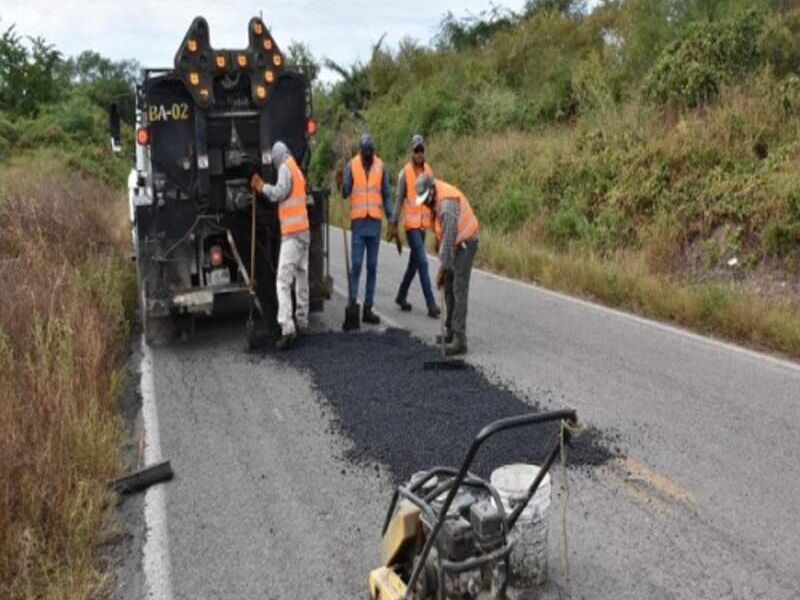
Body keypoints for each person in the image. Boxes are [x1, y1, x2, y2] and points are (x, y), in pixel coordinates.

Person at [250, 141, 310, 350]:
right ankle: (302, 322)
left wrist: (261, 187)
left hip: (292, 234)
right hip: (304, 232)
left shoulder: (285, 167)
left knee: (282, 282)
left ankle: (287, 328)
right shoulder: (298, 170)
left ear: (276, 158)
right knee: (301, 277)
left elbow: (279, 193)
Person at [415, 173, 479, 356]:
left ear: (432, 191)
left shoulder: (447, 205)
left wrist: (442, 270)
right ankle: (450, 332)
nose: (425, 203)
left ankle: (460, 341)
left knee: (458, 288)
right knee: (448, 287)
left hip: (467, 242)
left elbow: (450, 240)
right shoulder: (434, 198)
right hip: (455, 243)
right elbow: (443, 235)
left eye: (426, 199)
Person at [342, 133, 394, 324]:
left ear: (373, 151)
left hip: (374, 223)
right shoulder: (351, 165)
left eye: (370, 152)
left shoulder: (380, 166)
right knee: (356, 266)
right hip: (358, 223)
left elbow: (387, 194)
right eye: (365, 152)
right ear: (360, 151)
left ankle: (368, 309)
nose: (368, 155)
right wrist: (342, 180)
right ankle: (353, 306)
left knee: (372, 267)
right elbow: (346, 192)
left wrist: (392, 218)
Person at [389, 134, 440, 318]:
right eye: (416, 150)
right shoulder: (405, 173)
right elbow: (398, 199)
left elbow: (433, 199)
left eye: (421, 150)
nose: (419, 154)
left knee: (414, 265)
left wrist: (436, 223)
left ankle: (401, 296)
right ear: (412, 152)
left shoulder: (429, 172)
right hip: (411, 226)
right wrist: (393, 222)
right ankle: (431, 304)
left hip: (423, 225)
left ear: (424, 152)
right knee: (423, 263)